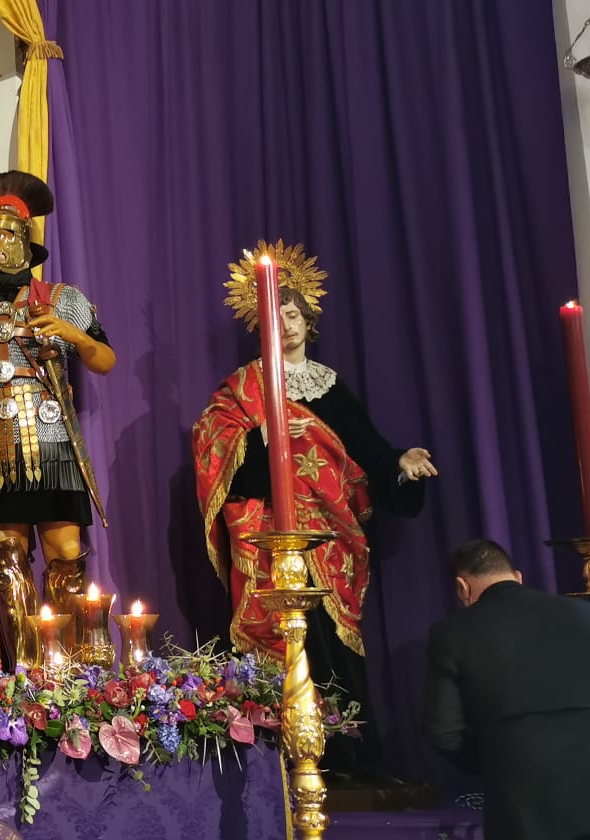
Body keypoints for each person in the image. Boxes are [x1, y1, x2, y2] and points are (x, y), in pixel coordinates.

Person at [191, 243, 438, 776]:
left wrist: (401, 463)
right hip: (269, 535)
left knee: (334, 642)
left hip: (328, 535)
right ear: (261, 325)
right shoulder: (243, 388)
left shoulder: (330, 387)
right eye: (276, 314)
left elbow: (369, 451)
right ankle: (276, 761)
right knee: (281, 637)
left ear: (309, 320)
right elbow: (214, 448)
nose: (288, 322)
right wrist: (267, 437)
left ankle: (349, 755)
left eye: (295, 312)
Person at [0, 171, 116, 669]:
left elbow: (104, 359)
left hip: (51, 440)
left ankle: (69, 666)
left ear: (24, 240)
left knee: (65, 549)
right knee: (5, 558)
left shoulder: (62, 298)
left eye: (2, 235)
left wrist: (73, 335)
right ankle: (20, 668)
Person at [425, 539, 590, 840]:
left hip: (539, 811)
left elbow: (444, 732)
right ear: (518, 576)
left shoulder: (453, 633)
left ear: (462, 588)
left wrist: (502, 759)